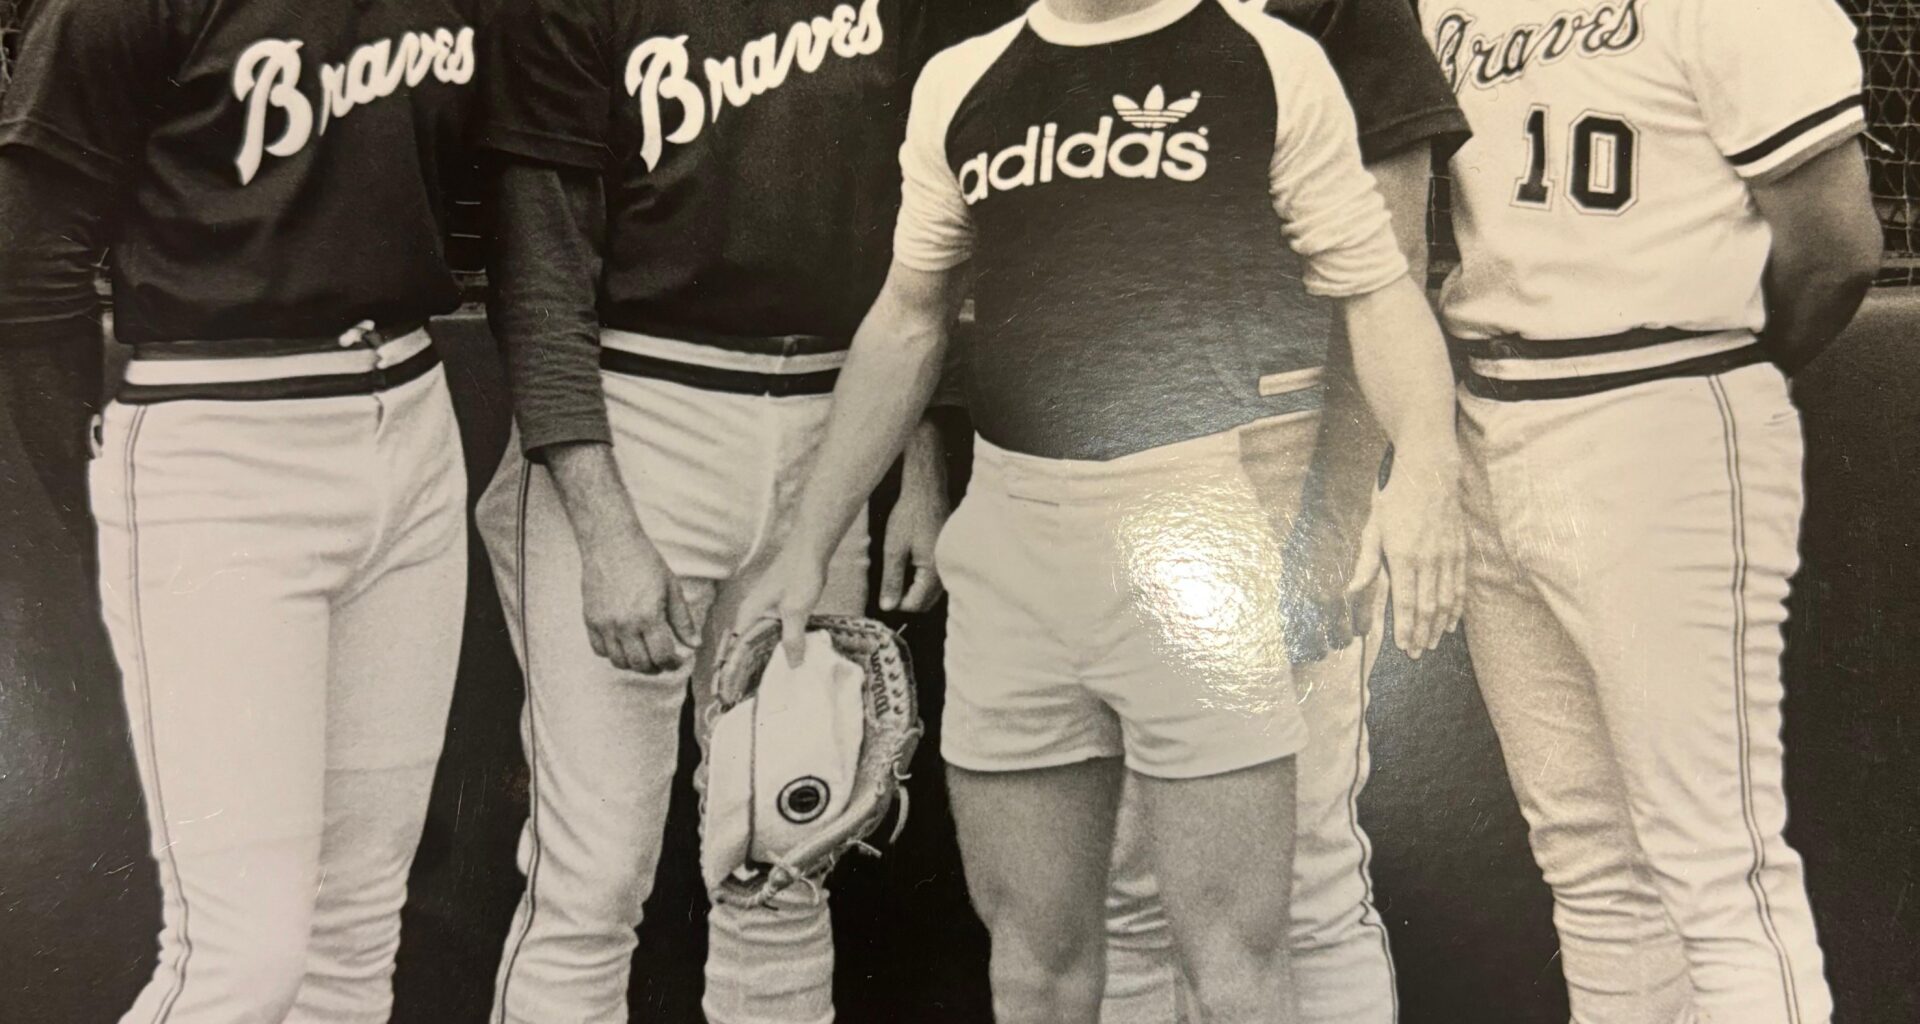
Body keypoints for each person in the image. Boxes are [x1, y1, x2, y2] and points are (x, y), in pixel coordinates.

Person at [734, 0, 1466, 1021]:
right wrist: (807, 542)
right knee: (1036, 966)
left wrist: (1425, 466)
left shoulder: (1268, 61)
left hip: (1193, 539)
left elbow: (1377, 290)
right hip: (1013, 534)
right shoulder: (963, 78)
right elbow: (908, 319)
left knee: (1238, 964)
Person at [471, 3, 1014, 1021]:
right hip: (636, 415)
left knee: (785, 851)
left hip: (833, 425)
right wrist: (603, 528)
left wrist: (920, 461)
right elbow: (537, 273)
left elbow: (927, 244)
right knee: (593, 875)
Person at [0, 1, 483, 1021]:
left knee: (354, 938)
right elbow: (30, 258)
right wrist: (103, 506)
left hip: (411, 412)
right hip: (219, 437)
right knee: (243, 961)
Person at [1418, 0, 1882, 1018]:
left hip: (1661, 400)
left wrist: (1705, 384)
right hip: (1490, 410)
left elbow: (1837, 247)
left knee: (1718, 865)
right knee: (1589, 859)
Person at [1100, 0, 1471, 1018]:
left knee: (1303, 869)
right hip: (1103, 461)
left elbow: (1390, 270)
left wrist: (1335, 514)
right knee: (1123, 881)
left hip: (1277, 450)